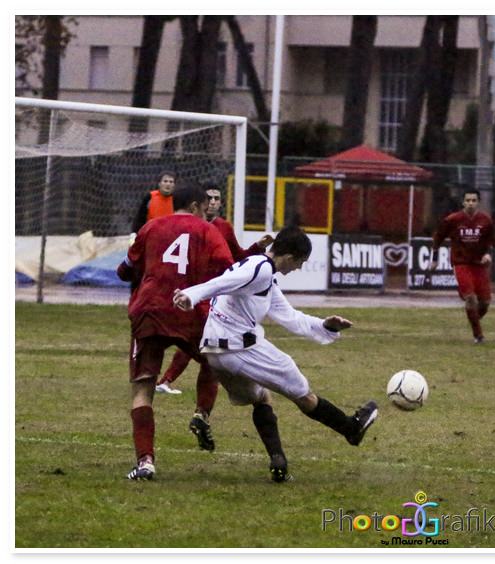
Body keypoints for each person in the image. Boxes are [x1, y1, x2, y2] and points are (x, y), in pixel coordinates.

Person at [172, 226, 378, 482]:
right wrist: (191, 295)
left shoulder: (262, 272)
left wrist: (326, 326)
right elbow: (220, 283)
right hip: (240, 348)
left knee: (261, 397)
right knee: (304, 396)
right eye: (300, 263)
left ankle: (278, 462)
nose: (299, 269)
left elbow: (289, 317)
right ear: (290, 257)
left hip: (215, 352)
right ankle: (351, 428)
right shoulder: (260, 269)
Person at [117, 185, 233, 480]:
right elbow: (227, 269)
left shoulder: (151, 227)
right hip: (188, 310)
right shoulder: (207, 231)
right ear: (195, 206)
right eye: (206, 206)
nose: (208, 210)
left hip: (151, 310)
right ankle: (201, 413)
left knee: (143, 387)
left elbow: (125, 268)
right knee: (213, 361)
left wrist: (140, 272)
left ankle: (145, 461)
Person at [155, 186, 274, 395]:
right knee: (199, 343)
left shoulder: (223, 227)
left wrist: (257, 247)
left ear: (221, 202)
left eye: (216, 198)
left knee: (200, 341)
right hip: (188, 291)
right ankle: (166, 382)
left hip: (213, 296)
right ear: (198, 202)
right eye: (208, 198)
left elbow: (237, 257)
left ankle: (164, 381)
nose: (212, 202)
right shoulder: (188, 225)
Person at [429, 188, 495, 344]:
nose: (470, 203)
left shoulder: (486, 220)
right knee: (471, 298)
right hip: (461, 263)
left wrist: (487, 254)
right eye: (468, 200)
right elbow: (438, 238)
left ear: (478, 202)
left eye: (474, 200)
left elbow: (491, 242)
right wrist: (435, 259)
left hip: (479, 265)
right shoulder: (453, 219)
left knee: (485, 303)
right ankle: (478, 336)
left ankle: (473, 318)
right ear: (463, 202)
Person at [131, 171, 177, 236]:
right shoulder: (150, 197)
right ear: (159, 183)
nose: (168, 184)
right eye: (165, 181)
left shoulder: (177, 199)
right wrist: (134, 233)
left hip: (171, 236)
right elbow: (140, 218)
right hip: (151, 235)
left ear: (174, 185)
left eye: (171, 182)